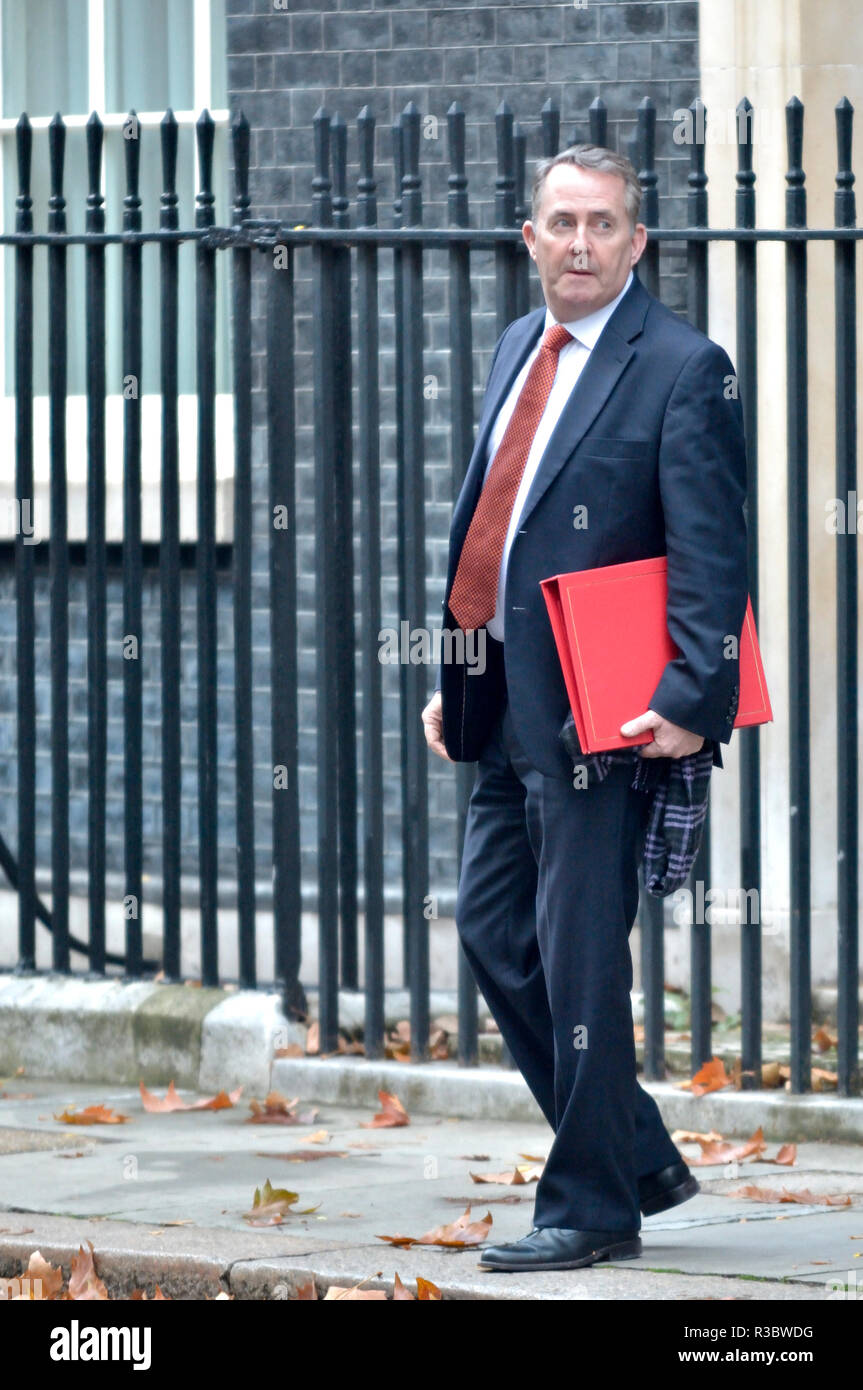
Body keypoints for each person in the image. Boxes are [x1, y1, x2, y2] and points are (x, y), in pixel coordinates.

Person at [421, 144, 749, 1273]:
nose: (577, 243)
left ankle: (591, 1203)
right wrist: (458, 669)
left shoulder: (682, 366)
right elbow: (491, 530)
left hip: (607, 717)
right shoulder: (521, 346)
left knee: (575, 957)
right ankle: (634, 1151)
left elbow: (711, 553)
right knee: (491, 928)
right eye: (559, 223)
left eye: (600, 225)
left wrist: (689, 700)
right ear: (529, 239)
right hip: (504, 698)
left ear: (634, 242)